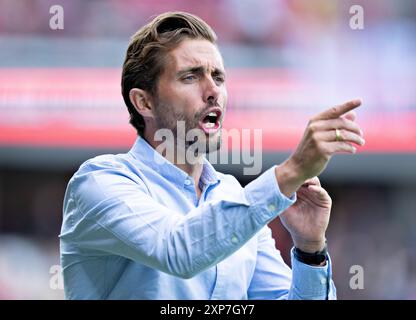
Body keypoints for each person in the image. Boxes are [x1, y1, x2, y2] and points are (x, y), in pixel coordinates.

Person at [60, 11, 365, 299]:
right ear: (144, 102)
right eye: (190, 77)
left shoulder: (232, 197)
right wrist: (290, 172)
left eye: (218, 77)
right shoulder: (99, 182)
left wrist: (309, 249)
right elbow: (177, 251)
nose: (213, 90)